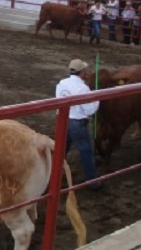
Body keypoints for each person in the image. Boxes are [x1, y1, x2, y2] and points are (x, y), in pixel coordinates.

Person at [56, 59, 101, 190]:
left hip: (63, 120)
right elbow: (89, 110)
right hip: (77, 123)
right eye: (84, 71)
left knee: (61, 150)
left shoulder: (62, 83)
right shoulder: (82, 88)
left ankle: (52, 175)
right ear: (81, 72)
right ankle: (92, 182)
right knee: (86, 151)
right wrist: (96, 98)